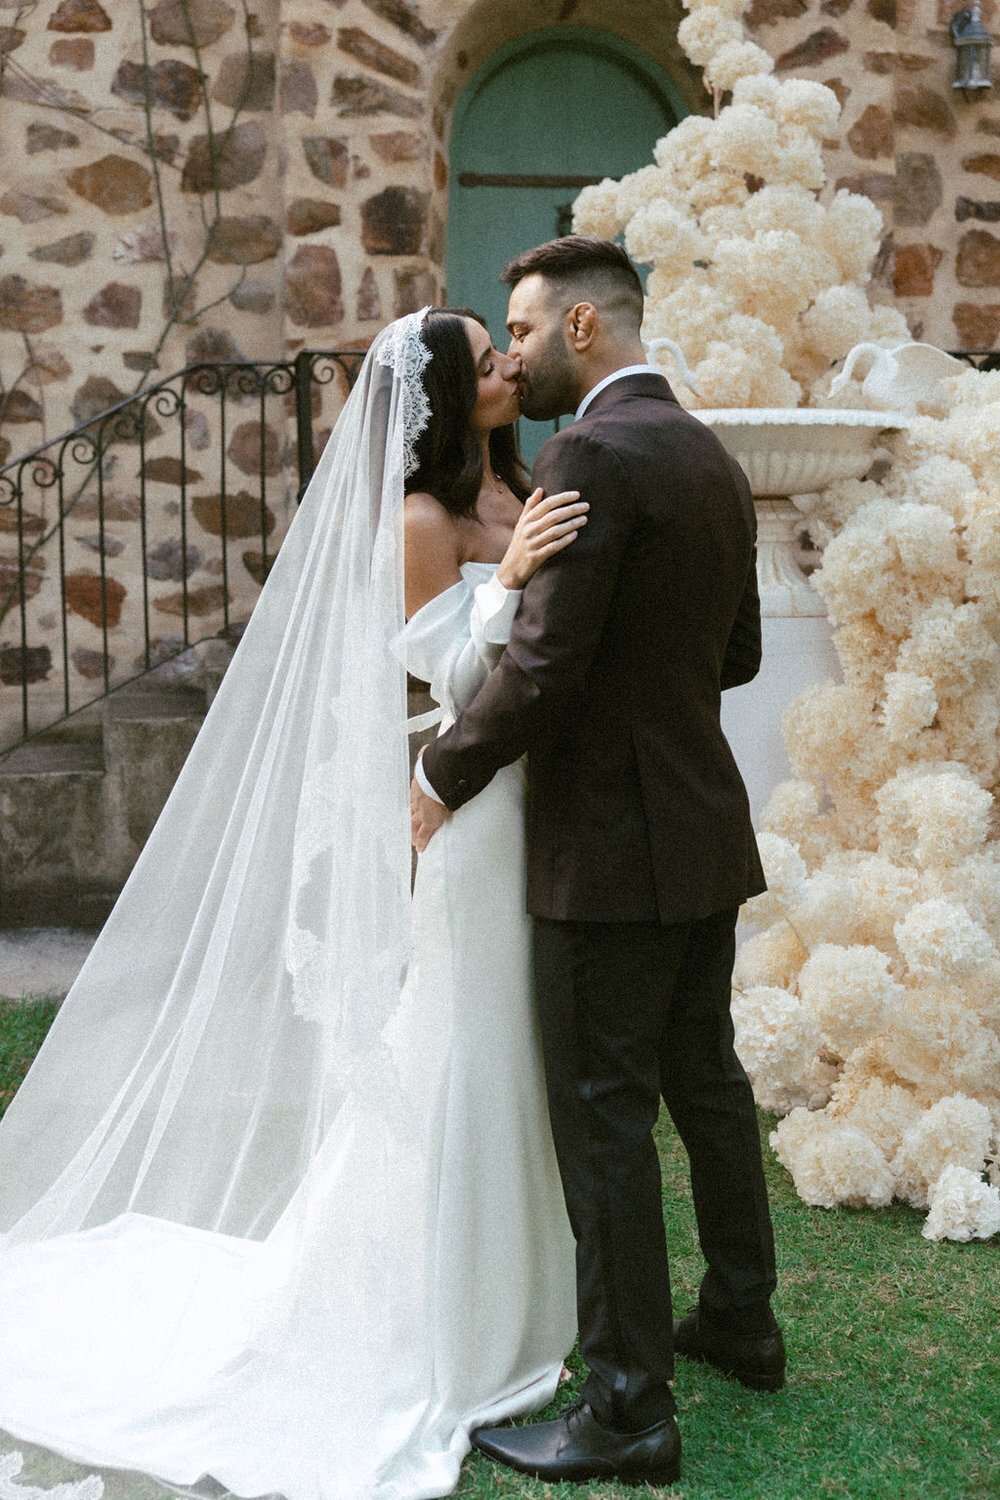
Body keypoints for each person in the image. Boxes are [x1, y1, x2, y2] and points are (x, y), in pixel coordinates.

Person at [0, 308, 586, 1500]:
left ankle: (523, 1296)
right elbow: (438, 675)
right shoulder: (423, 518)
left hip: (541, 803)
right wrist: (508, 580)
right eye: (485, 360)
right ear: (436, 400)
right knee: (459, 1042)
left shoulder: (518, 483)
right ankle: (432, 1314)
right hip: (467, 813)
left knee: (517, 1046)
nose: (508, 368)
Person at [411, 236, 784, 1489]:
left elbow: (545, 669)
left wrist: (437, 776)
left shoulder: (588, 454)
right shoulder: (708, 453)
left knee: (605, 1116)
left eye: (520, 329)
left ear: (583, 327)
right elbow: (731, 655)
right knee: (708, 1085)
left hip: (607, 855)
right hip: (700, 829)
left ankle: (627, 1408)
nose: (509, 354)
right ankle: (742, 1320)